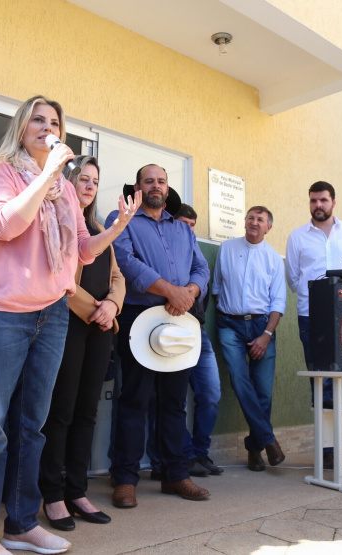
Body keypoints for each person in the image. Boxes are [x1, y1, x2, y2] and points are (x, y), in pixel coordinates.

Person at [0, 95, 136, 555]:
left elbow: (83, 249)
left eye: (54, 121)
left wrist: (117, 228)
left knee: (32, 425)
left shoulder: (65, 191)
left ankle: (19, 525)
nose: (46, 126)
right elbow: (4, 226)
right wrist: (48, 175)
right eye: (37, 119)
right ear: (21, 126)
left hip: (51, 314)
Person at [107, 164, 211, 509]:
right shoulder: (121, 217)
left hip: (179, 319)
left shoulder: (183, 229)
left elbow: (202, 268)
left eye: (161, 181)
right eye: (148, 180)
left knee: (174, 402)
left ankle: (175, 475)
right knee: (134, 400)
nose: (155, 185)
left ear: (167, 189)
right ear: (137, 186)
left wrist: (190, 291)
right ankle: (125, 479)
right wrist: (171, 290)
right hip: (139, 317)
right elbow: (125, 261)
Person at [39, 156, 124, 531]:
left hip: (100, 329)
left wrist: (113, 305)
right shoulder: (59, 221)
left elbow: (117, 276)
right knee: (62, 412)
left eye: (94, 181)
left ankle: (77, 491)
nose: (89, 186)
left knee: (87, 411)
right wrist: (98, 308)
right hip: (69, 325)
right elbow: (62, 281)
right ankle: (53, 495)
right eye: (82, 179)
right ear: (69, 183)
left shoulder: (100, 229)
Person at [286, 180, 342, 475]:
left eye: (323, 200)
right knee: (321, 384)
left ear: (333, 202)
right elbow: (293, 278)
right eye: (313, 201)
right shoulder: (297, 236)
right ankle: (327, 452)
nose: (318, 206)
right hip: (311, 318)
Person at [213, 206, 286, 472]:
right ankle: (269, 441)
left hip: (262, 327)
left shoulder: (274, 259)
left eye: (261, 220)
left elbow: (278, 303)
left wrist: (266, 335)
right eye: (251, 218)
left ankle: (255, 449)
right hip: (229, 325)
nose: (254, 222)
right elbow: (217, 289)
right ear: (244, 222)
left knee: (263, 391)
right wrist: (227, 315)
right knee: (239, 380)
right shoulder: (227, 248)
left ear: (268, 227)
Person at [173, 204, 223, 477]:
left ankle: (200, 453)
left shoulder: (198, 259)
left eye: (192, 225)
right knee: (174, 398)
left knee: (211, 393)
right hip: (168, 331)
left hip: (197, 333)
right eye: (183, 224)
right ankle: (185, 454)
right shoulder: (166, 254)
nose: (188, 230)